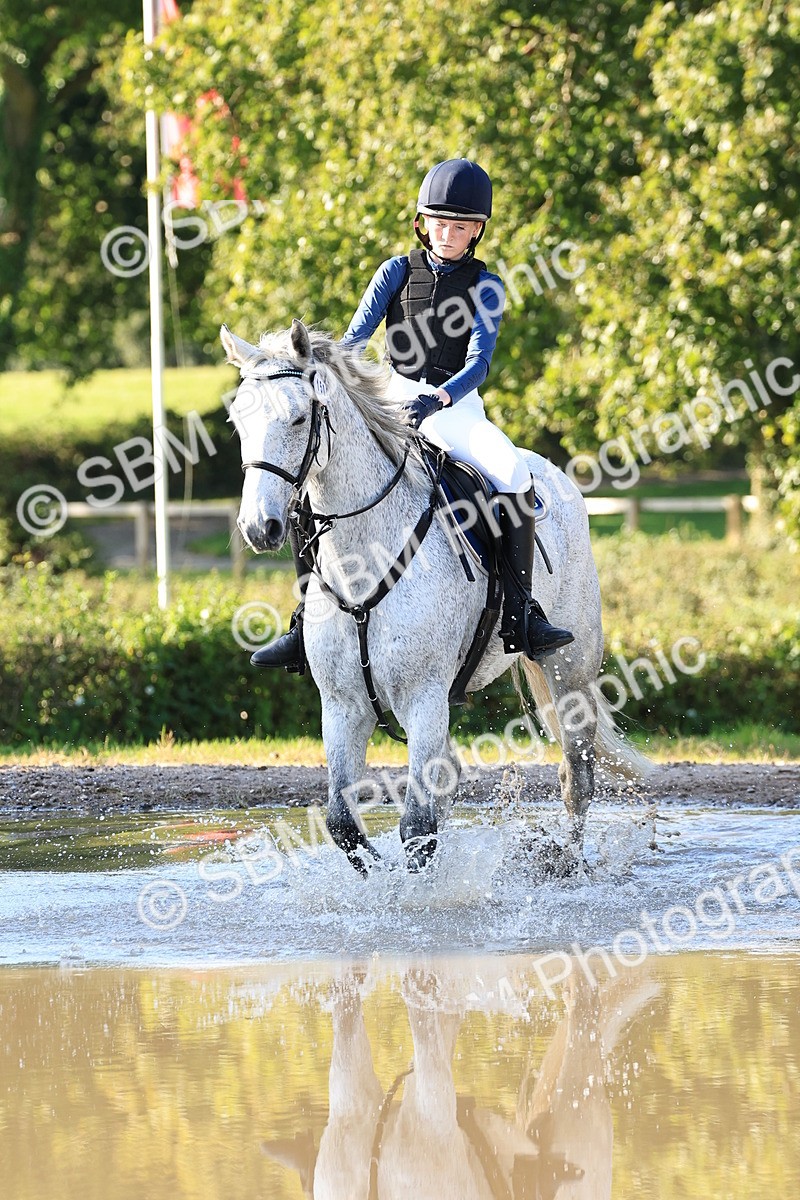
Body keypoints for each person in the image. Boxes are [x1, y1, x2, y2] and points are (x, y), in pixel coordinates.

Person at [252, 157, 573, 671]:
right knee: (311, 480)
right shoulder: (395, 271)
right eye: (440, 223)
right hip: (389, 399)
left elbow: (479, 363)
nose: (448, 233)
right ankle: (302, 621)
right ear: (423, 223)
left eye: (461, 226)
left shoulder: (487, 286)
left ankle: (521, 613)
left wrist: (439, 398)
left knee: (513, 472)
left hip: (454, 405)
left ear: (477, 231)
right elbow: (354, 341)